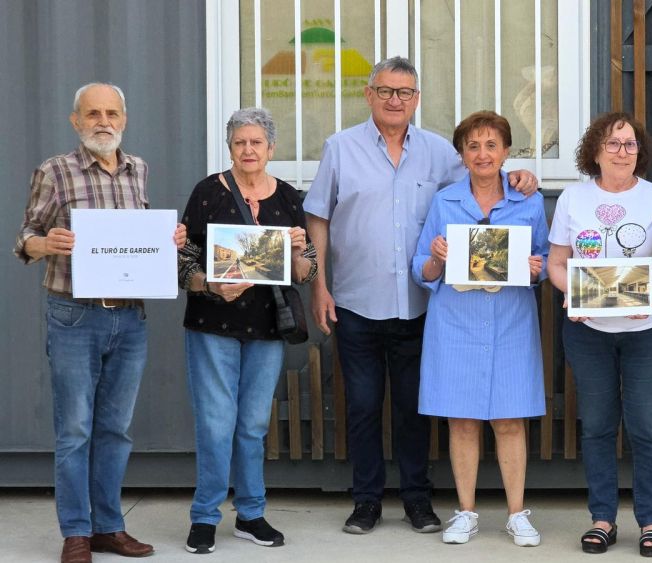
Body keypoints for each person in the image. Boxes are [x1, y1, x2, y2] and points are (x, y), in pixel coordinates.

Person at [303, 56, 537, 535]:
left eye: (405, 92)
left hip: (418, 304)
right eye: (386, 91)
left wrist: (520, 176)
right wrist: (320, 284)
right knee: (363, 406)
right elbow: (318, 216)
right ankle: (366, 502)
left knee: (414, 409)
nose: (395, 100)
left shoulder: (438, 152)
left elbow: (482, 178)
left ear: (417, 99)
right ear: (369, 94)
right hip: (356, 299)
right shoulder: (340, 148)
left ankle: (417, 500)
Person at [14, 82, 186, 563]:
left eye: (112, 113)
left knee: (115, 429)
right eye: (93, 114)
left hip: (129, 318)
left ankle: (108, 526)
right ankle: (76, 532)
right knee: (75, 430)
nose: (103, 122)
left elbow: (141, 239)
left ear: (124, 120)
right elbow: (26, 235)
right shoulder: (55, 170)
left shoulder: (139, 170)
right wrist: (44, 244)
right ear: (76, 121)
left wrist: (169, 238)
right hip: (74, 315)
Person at [176, 107, 318, 554]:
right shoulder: (207, 193)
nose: (248, 150)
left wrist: (299, 253)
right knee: (215, 424)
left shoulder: (289, 198)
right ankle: (205, 517)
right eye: (240, 142)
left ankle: (251, 513)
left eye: (256, 142)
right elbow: (182, 262)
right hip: (212, 324)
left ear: (271, 148)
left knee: (254, 425)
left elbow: (308, 270)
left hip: (267, 327)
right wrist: (209, 284)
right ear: (230, 147)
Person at [411, 111, 548, 547]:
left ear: (506, 152)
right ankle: (466, 512)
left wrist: (535, 269)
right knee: (463, 421)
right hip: (456, 323)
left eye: (491, 145)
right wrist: (436, 257)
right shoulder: (444, 201)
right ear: (462, 154)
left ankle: (517, 514)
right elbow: (421, 268)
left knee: (510, 420)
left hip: (511, 322)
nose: (483, 154)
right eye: (473, 146)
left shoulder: (528, 201)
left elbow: (544, 261)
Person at [547, 111, 652, 558]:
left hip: (648, 331)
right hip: (590, 333)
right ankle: (602, 517)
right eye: (613, 143)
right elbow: (556, 264)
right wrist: (574, 294)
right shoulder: (573, 198)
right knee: (598, 427)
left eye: (630, 144)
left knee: (647, 429)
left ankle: (651, 520)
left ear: (640, 152)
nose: (622, 151)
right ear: (595, 151)